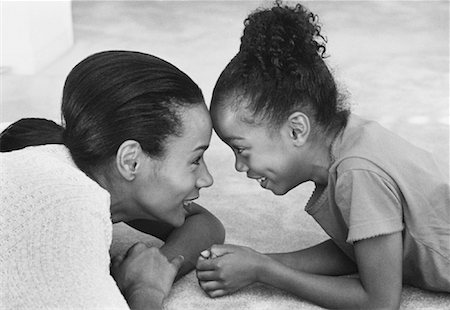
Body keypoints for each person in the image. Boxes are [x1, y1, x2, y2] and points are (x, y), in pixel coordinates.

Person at [195, 2, 450, 309]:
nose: (238, 166)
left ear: (296, 130)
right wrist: (257, 260)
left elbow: (380, 302)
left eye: (241, 148)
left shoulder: (358, 172)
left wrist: (265, 271)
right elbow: (361, 249)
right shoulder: (350, 139)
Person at [0, 50, 225, 310]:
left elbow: (205, 225)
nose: (207, 179)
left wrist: (158, 266)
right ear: (131, 161)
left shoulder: (94, 167)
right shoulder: (69, 214)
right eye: (195, 160)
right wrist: (145, 289)